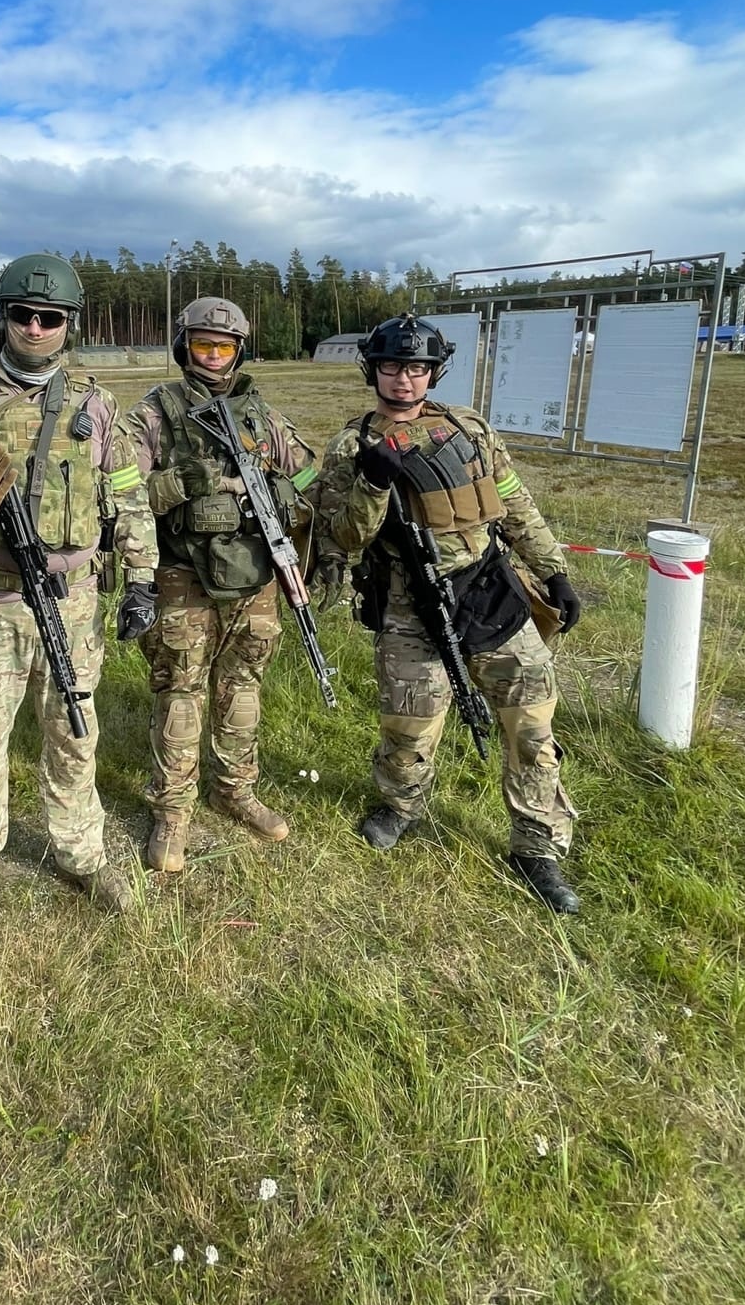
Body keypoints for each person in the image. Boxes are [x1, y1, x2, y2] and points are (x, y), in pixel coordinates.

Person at [0, 252, 159, 938]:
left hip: (72, 601)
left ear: (69, 325)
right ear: (4, 318)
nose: (36, 328)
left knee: (75, 732)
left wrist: (142, 579)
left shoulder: (97, 406)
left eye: (50, 319)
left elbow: (127, 497)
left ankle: (81, 854)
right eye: (24, 315)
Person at [316, 314, 583, 913]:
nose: (405, 380)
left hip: (492, 593)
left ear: (434, 372)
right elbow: (346, 537)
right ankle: (401, 805)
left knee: (533, 729)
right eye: (392, 367)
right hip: (411, 604)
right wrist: (372, 483)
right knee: (409, 726)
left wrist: (554, 571)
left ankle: (535, 845)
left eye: (417, 368)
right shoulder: (351, 446)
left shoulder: (471, 429)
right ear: (373, 370)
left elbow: (513, 503)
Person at [126, 298, 318, 872]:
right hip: (183, 576)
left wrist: (280, 493)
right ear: (184, 345)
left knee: (242, 689)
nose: (213, 357)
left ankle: (233, 791)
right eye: (204, 345)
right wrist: (192, 480)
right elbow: (121, 493)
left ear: (240, 351)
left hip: (255, 577)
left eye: (225, 347)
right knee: (180, 695)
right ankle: (172, 813)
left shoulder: (260, 413)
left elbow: (307, 472)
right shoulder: (155, 413)